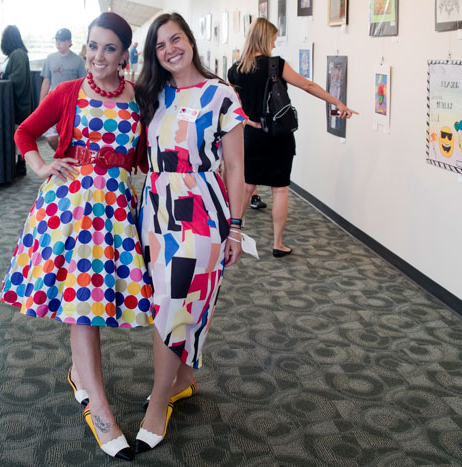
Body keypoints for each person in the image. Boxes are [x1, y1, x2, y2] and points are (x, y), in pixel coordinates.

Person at [0, 12, 150, 461]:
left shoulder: (140, 98)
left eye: (108, 48)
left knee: (100, 303)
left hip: (117, 212)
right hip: (68, 210)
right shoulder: (68, 92)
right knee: (81, 305)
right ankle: (100, 411)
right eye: (92, 45)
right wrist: (42, 165)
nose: (97, 56)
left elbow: (151, 149)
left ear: (125, 55)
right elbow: (24, 132)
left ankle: (80, 377)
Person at [133, 12, 246, 453]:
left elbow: (236, 168)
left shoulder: (221, 95)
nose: (169, 50)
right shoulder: (150, 93)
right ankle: (180, 379)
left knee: (175, 299)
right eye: (159, 46)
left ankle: (158, 401)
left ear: (190, 40)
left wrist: (235, 229)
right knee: (171, 297)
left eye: (175, 39)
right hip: (156, 207)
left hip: (201, 208)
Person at [227, 18, 357, 257]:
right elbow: (307, 86)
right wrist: (337, 102)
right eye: (273, 39)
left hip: (251, 136)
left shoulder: (236, 69)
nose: (275, 45)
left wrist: (246, 121)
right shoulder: (275, 65)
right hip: (278, 136)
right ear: (265, 38)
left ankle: (233, 233)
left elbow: (231, 106)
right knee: (280, 190)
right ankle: (278, 244)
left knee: (246, 187)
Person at [0, 25, 35, 175]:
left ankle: (21, 163)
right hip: (15, 102)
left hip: (18, 103)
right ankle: (19, 162)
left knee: (18, 131)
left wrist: (0, 76)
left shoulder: (18, 54)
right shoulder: (16, 54)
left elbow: (17, 79)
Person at [39, 28, 87, 150]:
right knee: (50, 137)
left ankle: (66, 160)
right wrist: (41, 104)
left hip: (71, 104)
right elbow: (46, 81)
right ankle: (62, 155)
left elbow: (83, 84)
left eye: (62, 40)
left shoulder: (78, 60)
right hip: (53, 102)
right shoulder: (50, 58)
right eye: (57, 40)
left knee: (69, 136)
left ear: (69, 42)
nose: (58, 43)